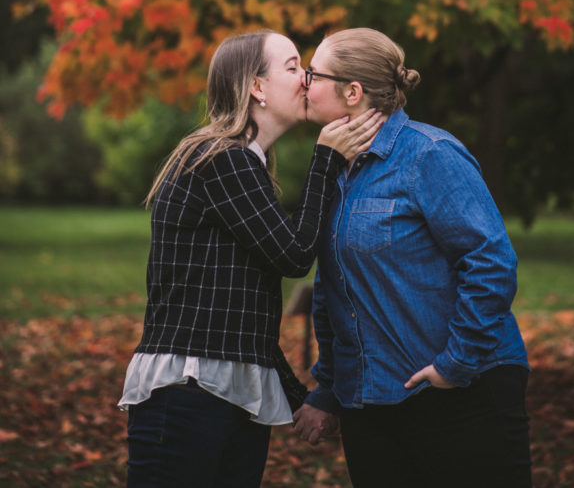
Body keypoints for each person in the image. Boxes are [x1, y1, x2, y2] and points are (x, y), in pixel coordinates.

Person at [119, 29, 383, 488]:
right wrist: (325, 158)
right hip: (187, 396)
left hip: (225, 395)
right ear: (257, 87)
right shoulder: (223, 159)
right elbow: (296, 255)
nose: (307, 78)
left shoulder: (246, 164)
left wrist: (300, 396)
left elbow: (241, 314)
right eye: (293, 66)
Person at [292, 28, 532, 488]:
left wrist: (454, 365)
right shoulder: (335, 167)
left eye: (313, 73)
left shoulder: (430, 155)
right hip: (372, 402)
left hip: (462, 394)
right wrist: (329, 388)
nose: (303, 82)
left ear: (352, 92)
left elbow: (491, 262)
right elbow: (335, 287)